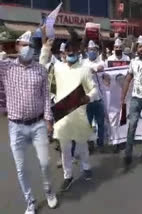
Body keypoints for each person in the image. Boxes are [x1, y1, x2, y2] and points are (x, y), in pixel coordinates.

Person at [0, 31, 58, 214]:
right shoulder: (5, 68)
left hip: (38, 125)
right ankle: (30, 201)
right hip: (16, 126)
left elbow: (46, 97)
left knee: (45, 163)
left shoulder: (40, 69)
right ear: (17, 46)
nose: (28, 49)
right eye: (24, 45)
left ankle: (48, 190)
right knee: (21, 168)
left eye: (31, 46)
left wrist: (49, 119)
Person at [40, 31, 98, 191]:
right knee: (65, 150)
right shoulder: (58, 68)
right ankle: (68, 176)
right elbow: (42, 63)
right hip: (62, 116)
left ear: (78, 51)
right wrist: (46, 44)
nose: (71, 52)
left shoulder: (85, 69)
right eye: (68, 50)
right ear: (64, 52)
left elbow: (94, 90)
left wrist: (88, 97)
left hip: (79, 115)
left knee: (82, 145)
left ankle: (86, 168)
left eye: (74, 49)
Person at [121, 35, 142, 168]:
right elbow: (128, 79)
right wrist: (122, 97)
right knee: (132, 126)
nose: (141, 49)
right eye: (139, 47)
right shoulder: (133, 62)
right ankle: (128, 155)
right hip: (136, 98)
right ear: (137, 48)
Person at [83, 40, 106, 153]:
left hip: (98, 99)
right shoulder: (83, 63)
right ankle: (90, 143)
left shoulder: (100, 62)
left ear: (97, 51)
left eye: (94, 50)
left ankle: (101, 143)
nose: (92, 52)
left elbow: (100, 68)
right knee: (88, 124)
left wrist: (93, 69)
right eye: (90, 50)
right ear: (87, 51)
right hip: (87, 100)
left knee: (100, 123)